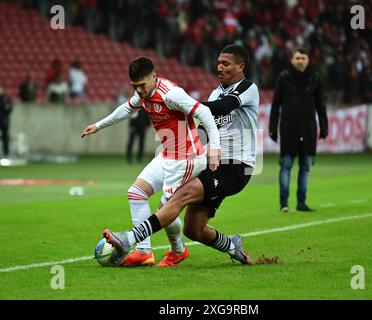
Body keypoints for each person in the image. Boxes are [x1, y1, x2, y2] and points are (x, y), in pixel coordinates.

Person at [102, 44, 259, 265]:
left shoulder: (248, 88)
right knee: (194, 229)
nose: (219, 67)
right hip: (212, 163)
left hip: (237, 165)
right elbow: (204, 128)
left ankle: (130, 238)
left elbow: (223, 107)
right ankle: (233, 246)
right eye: (218, 62)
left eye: (226, 63)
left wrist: (181, 103)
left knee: (180, 196)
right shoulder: (215, 92)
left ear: (241, 66)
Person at [81, 56, 221, 267]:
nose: (139, 90)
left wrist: (215, 149)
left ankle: (178, 251)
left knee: (166, 209)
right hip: (167, 155)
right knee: (136, 193)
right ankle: (144, 251)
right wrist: (99, 125)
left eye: (142, 85)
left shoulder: (171, 94)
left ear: (154, 76)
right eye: (135, 86)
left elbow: (205, 111)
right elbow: (126, 109)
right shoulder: (144, 93)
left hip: (187, 158)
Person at [268, 47, 328, 213]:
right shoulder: (284, 78)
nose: (300, 61)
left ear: (308, 60)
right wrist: (272, 128)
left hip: (308, 129)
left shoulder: (315, 78)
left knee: (306, 167)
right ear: (292, 60)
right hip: (289, 129)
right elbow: (275, 105)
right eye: (297, 58)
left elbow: (320, 105)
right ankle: (284, 203)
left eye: (303, 57)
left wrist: (324, 126)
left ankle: (301, 203)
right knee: (286, 165)